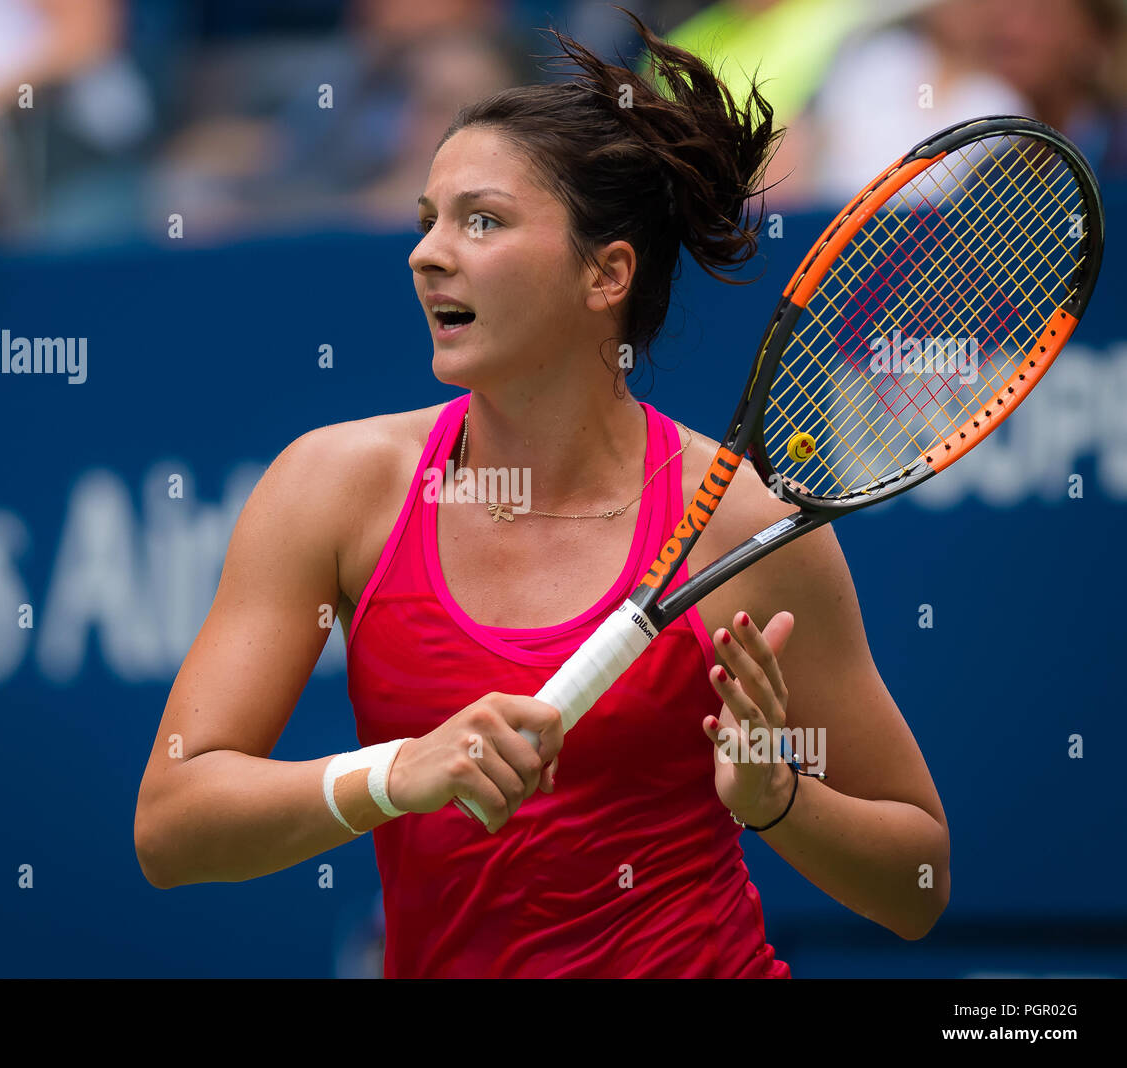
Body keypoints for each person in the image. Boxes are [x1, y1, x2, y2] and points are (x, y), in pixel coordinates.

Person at [134, 9, 950, 978]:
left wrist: (778, 800)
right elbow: (172, 823)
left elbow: (918, 887)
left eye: (481, 221)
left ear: (606, 274)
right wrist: (395, 774)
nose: (427, 252)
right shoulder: (332, 489)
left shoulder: (741, 527)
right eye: (427, 219)